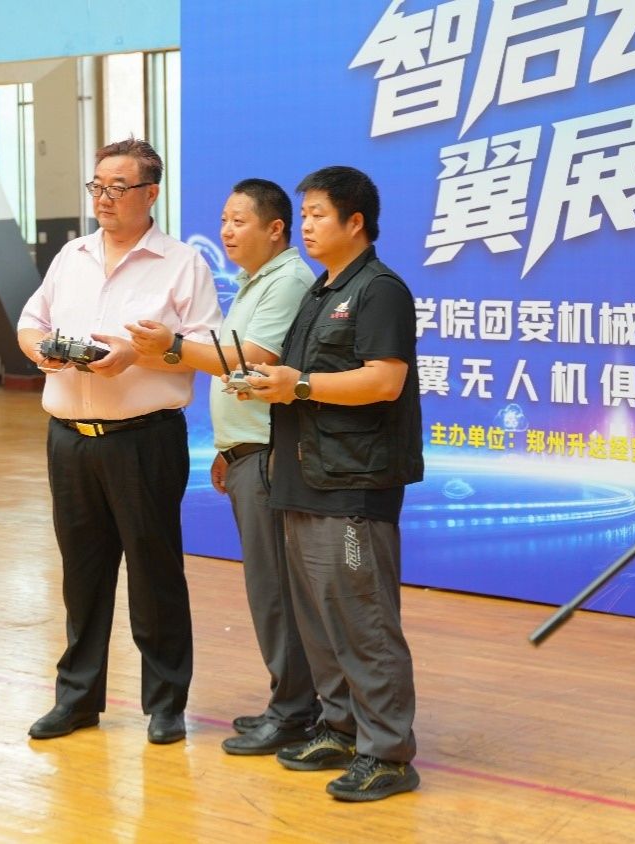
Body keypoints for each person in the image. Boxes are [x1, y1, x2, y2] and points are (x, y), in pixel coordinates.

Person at [16, 138, 222, 746]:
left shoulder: (182, 264)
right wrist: (46, 352)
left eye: (117, 188)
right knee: (81, 574)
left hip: (143, 439)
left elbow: (207, 351)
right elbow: (31, 323)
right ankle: (77, 699)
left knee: (155, 574)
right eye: (97, 186)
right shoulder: (71, 255)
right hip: (69, 439)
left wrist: (138, 354)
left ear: (150, 194)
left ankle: (166, 704)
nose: (103, 198)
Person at [245, 165, 424, 801]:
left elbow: (384, 381)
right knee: (320, 621)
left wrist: (297, 385)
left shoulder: (379, 291)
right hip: (302, 477)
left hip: (352, 485)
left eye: (319, 214)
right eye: (305, 215)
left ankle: (388, 754)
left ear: (356, 222)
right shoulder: (320, 291)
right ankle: (342, 729)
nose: (308, 226)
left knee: (362, 620)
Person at [126, 178, 319, 756]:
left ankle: (294, 712)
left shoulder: (288, 280)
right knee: (268, 588)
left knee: (276, 590)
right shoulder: (255, 281)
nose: (227, 232)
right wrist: (227, 445)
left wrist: (172, 347)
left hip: (270, 456)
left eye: (239, 221)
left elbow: (253, 360)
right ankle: (289, 702)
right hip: (248, 451)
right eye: (224, 221)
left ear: (275, 229)